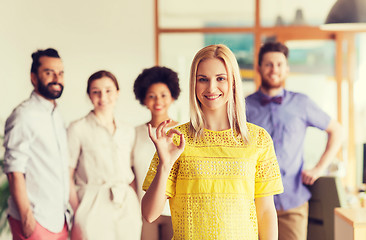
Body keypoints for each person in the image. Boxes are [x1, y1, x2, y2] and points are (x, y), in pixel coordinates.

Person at [142, 44, 284, 240]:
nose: (211, 88)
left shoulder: (258, 140)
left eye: (220, 79)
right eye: (203, 79)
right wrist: (165, 165)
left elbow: (266, 212)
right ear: (194, 84)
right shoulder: (176, 140)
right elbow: (149, 214)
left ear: (233, 82)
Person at [245, 41, 343, 240]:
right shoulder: (243, 106)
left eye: (279, 64)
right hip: (252, 203)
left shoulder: (302, 103)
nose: (274, 70)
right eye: (268, 64)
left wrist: (319, 168)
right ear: (259, 68)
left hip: (293, 202)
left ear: (287, 69)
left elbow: (337, 131)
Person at [3, 48, 69, 240]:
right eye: (49, 73)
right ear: (33, 77)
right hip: (35, 220)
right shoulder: (24, 115)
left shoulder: (56, 114)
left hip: (58, 219)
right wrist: (26, 217)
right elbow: (14, 170)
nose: (57, 78)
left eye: (61, 73)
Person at [67, 70, 142, 240]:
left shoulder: (128, 130)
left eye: (108, 90)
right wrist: (79, 211)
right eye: (96, 92)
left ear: (117, 93)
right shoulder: (77, 128)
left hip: (125, 203)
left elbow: (132, 172)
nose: (103, 97)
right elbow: (67, 174)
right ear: (89, 95)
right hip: (92, 203)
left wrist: (135, 203)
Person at [132, 66, 181, 240]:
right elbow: (131, 177)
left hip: (174, 210)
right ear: (143, 99)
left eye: (163, 95)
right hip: (144, 211)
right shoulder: (135, 133)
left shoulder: (181, 132)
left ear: (173, 96)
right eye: (151, 96)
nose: (158, 101)